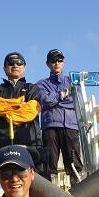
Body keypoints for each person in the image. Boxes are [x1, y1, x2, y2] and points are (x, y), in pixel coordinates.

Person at [0, 52, 48, 179]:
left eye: (19, 63)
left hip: (30, 144)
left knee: (36, 184)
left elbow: (30, 112)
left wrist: (7, 112)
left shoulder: (32, 88)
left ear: (24, 67)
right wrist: (19, 103)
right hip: (2, 145)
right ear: (5, 68)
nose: (15, 65)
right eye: (11, 63)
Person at [37, 49, 84, 185]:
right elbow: (44, 100)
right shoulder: (41, 84)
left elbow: (77, 100)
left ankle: (80, 192)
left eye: (59, 60)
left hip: (70, 126)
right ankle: (47, 194)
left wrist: (55, 99)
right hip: (50, 127)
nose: (56, 63)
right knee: (49, 162)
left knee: (74, 162)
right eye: (53, 60)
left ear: (63, 62)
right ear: (47, 64)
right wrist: (61, 95)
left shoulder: (72, 81)